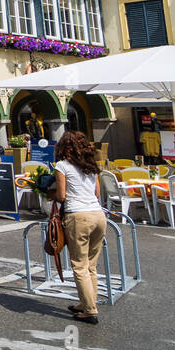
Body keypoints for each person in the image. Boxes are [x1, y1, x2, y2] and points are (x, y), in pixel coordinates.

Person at [52, 130, 104, 324]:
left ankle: (90, 310)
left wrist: (50, 194)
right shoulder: (91, 166)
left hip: (78, 216)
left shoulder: (62, 166)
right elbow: (97, 193)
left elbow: (62, 196)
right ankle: (86, 302)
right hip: (98, 215)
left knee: (79, 266)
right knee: (91, 265)